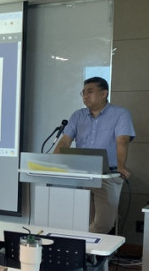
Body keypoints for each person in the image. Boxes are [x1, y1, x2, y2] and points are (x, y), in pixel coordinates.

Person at [54, 76, 135, 233]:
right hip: (81, 173)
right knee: (85, 221)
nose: (85, 96)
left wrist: (121, 166)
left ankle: (82, 251)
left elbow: (122, 141)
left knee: (104, 223)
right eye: (83, 92)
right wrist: (51, 165)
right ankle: (87, 255)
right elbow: (64, 142)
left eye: (90, 92)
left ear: (104, 94)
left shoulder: (120, 114)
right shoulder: (78, 116)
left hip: (108, 174)